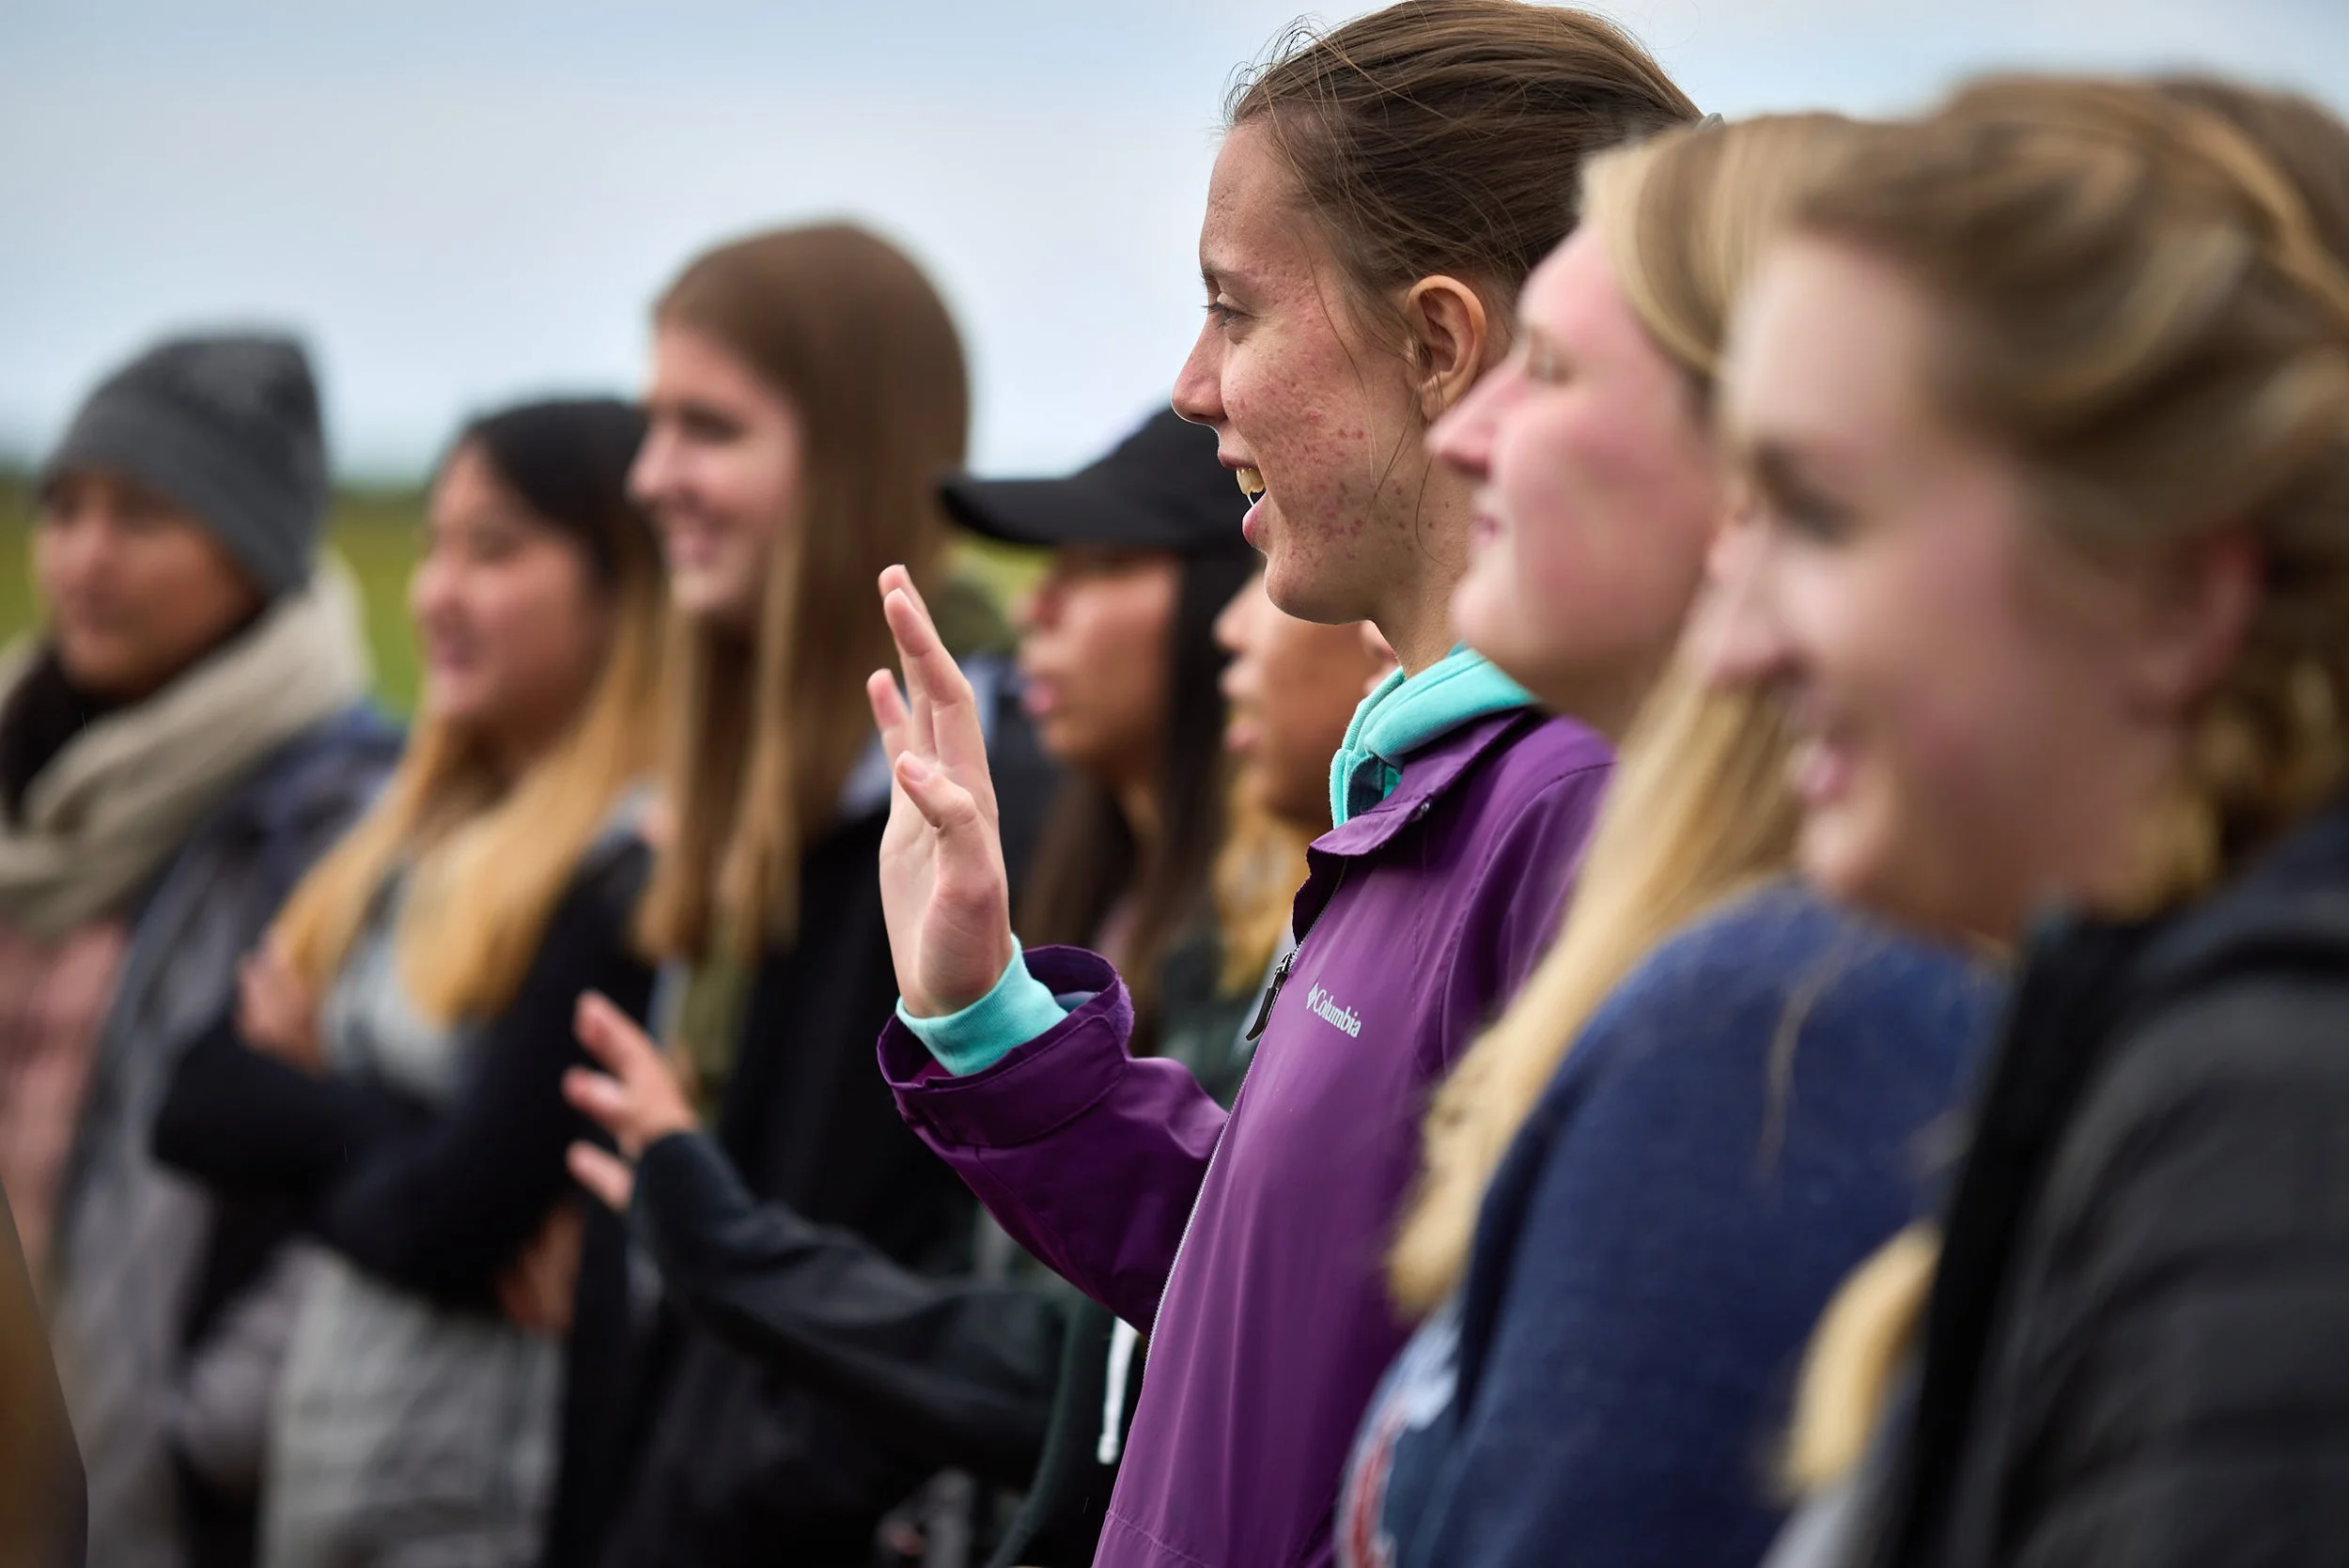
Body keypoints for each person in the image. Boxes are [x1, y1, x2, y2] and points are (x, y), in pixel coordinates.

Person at [866, 8, 1699, 1564]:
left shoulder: (1569, 805)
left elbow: (1543, 1465)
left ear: (1439, 345)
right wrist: (988, 1013)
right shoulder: (1452, 782)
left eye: (1235, 312)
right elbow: (1293, 1295)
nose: (1193, 386)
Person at [1688, 76, 2349, 1568]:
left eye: (1821, 514)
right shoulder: (2190, 1064)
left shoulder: (2277, 1119)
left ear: (2178, 591)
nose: (1729, 651)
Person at [1333, 115, 1996, 1568]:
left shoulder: (1785, 1027)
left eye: (1549, 370)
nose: (1462, 432)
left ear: (1759, 463)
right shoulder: (1747, 977)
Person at [558, 406, 1254, 1566]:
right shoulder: (1088, 887)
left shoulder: (1258, 948)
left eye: (1105, 565)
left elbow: (1073, 1362)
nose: (1037, 606)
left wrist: (729, 1247)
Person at [554, 223, 1054, 1568]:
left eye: (709, 427)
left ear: (850, 455)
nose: (653, 477)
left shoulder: (979, 806)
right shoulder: (726, 809)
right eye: (654, 423)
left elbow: (926, 1277)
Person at [148, 397, 666, 1567]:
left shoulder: (627, 868)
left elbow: (451, 1209)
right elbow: (194, 1102)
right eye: (435, 545)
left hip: (481, 1507)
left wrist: (324, 1116)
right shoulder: (412, 835)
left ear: (620, 584)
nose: (436, 591)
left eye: (493, 549)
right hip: (342, 1481)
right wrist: (412, 1151)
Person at [4, 332, 399, 1568]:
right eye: (62, 508)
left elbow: (393, 1169)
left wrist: (205, 1433)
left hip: (153, 1503)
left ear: (255, 545)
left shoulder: (346, 821)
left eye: (143, 513)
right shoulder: (26, 781)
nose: (84, 556)